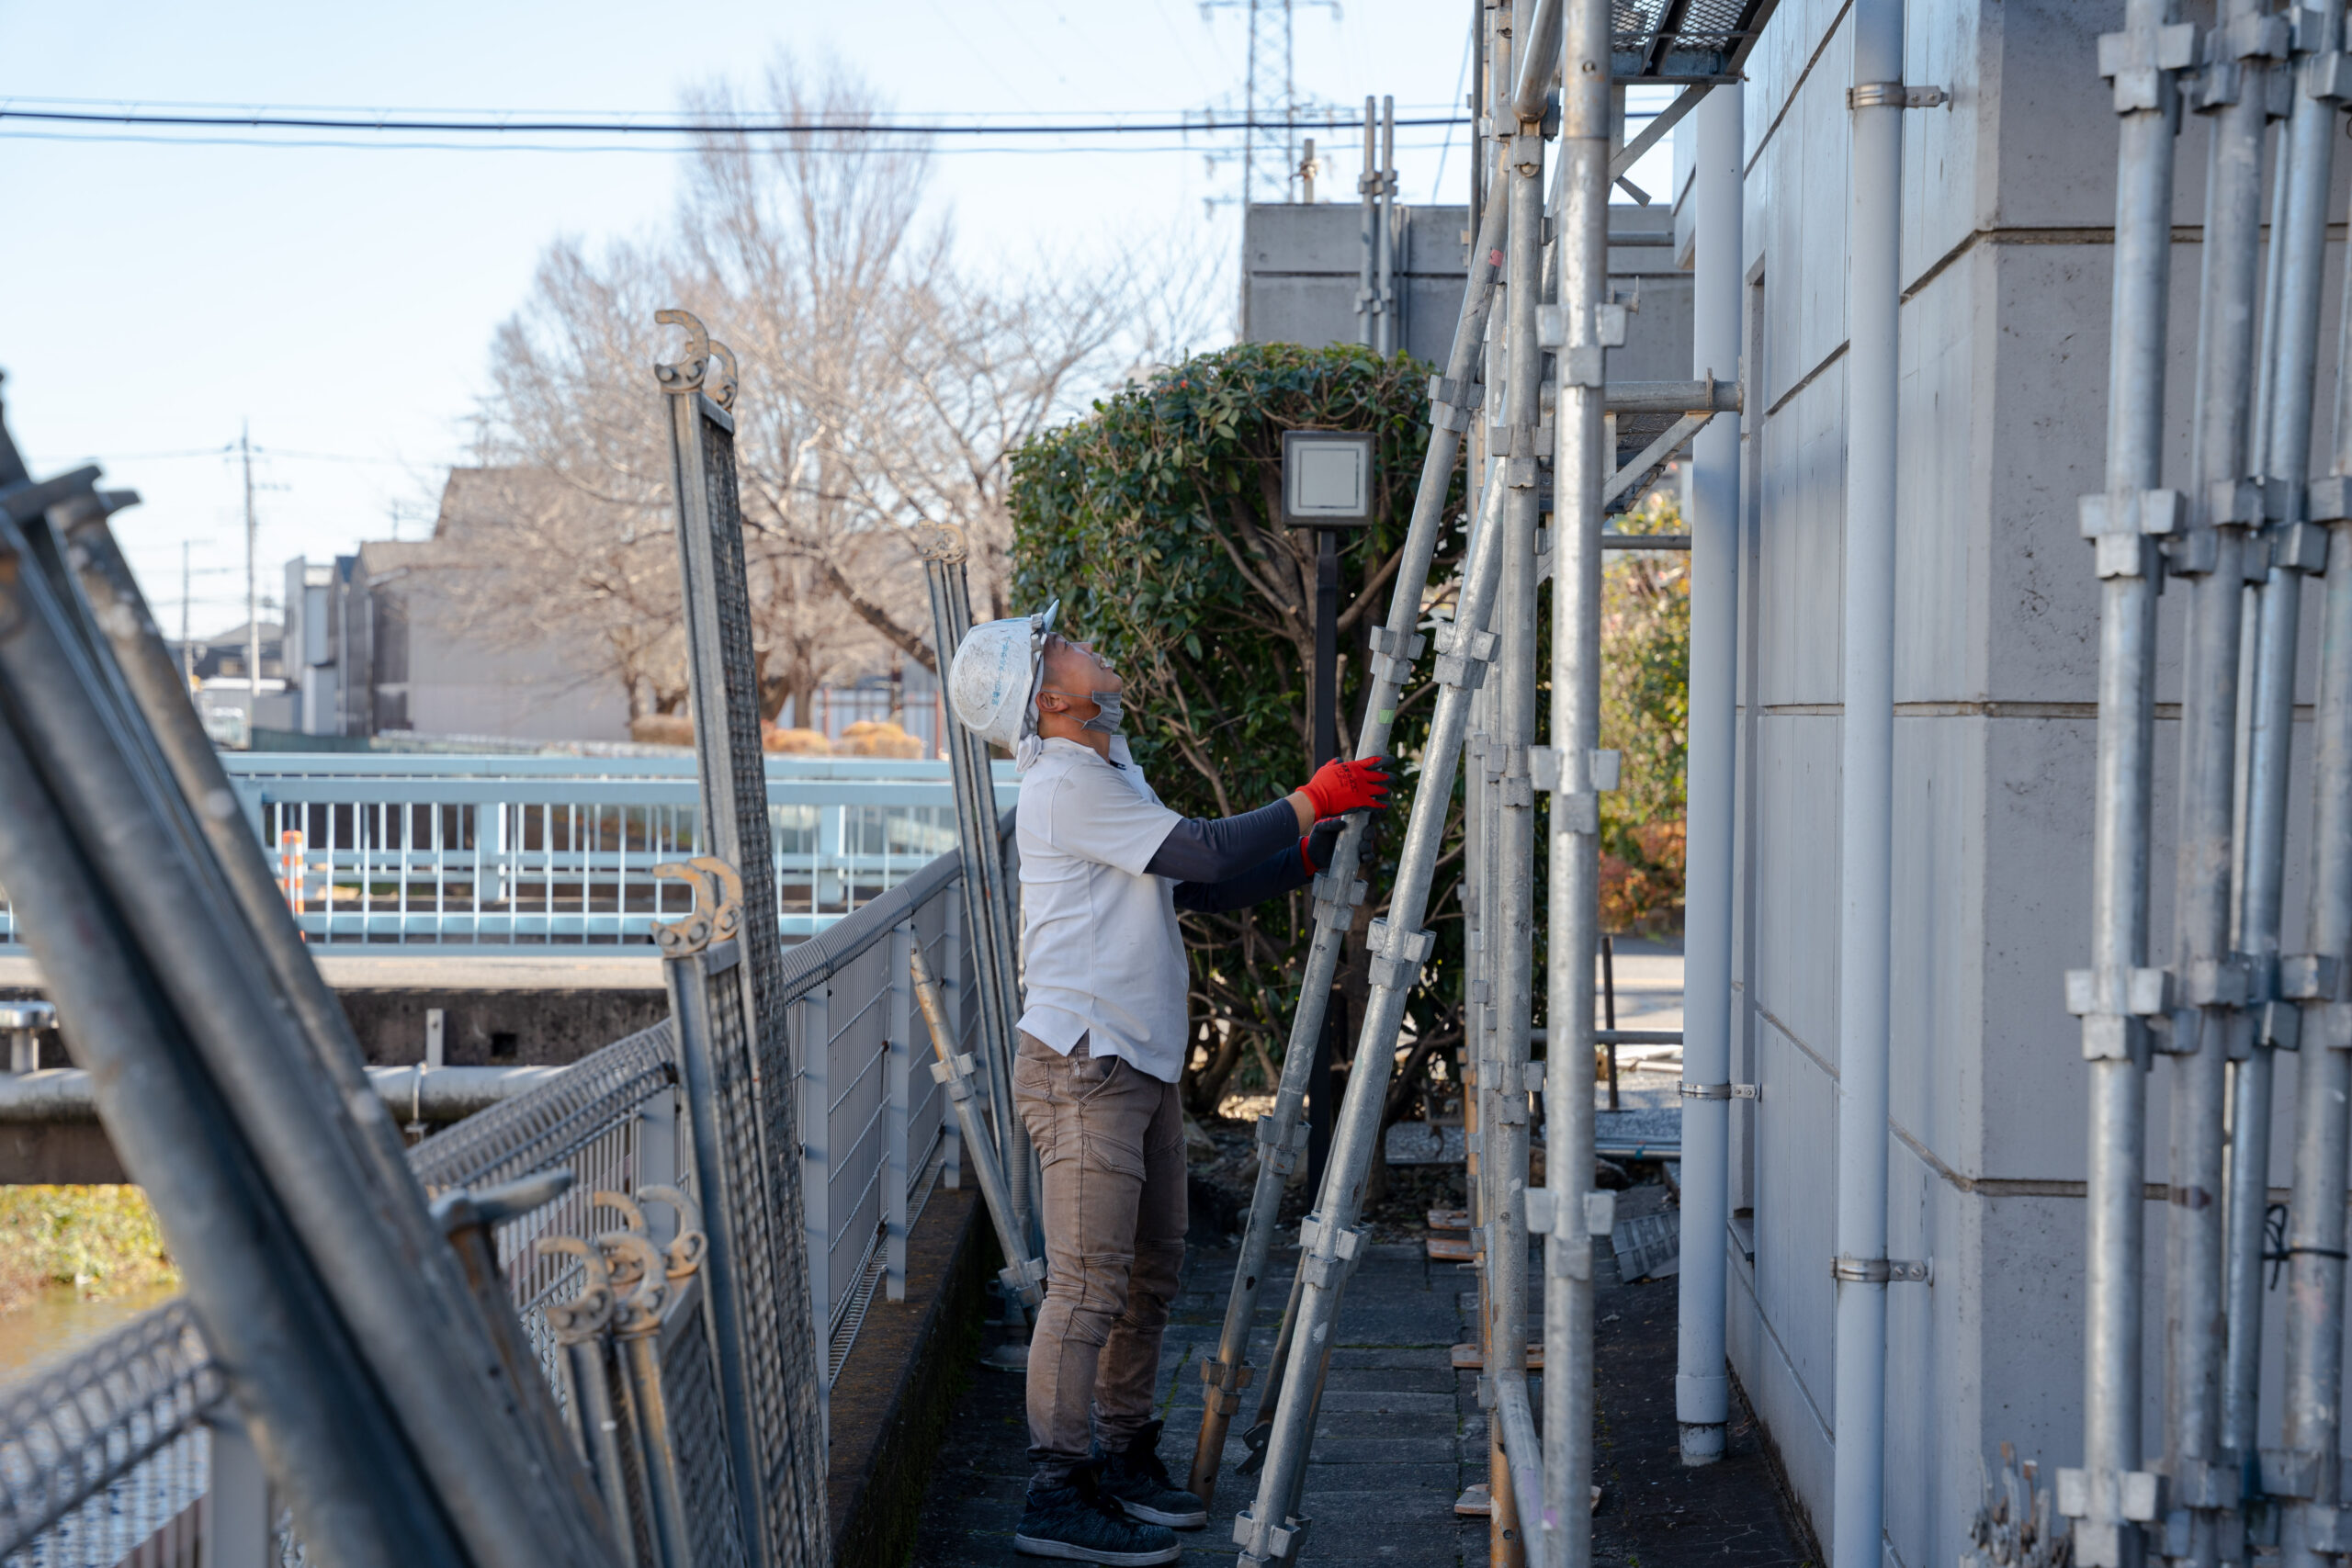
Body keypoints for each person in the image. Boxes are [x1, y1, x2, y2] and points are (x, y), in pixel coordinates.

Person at [948, 602, 1394, 1565]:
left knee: (1149, 1276)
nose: (1079, 642)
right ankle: (1055, 1490)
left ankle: (1122, 1452)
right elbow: (1201, 849)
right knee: (1086, 1288)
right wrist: (1312, 799)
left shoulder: (1107, 766)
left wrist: (1303, 851)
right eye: (1057, 645)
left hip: (1131, 1063)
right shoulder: (1063, 783)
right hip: (1081, 1068)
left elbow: (1198, 886)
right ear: (1051, 697)